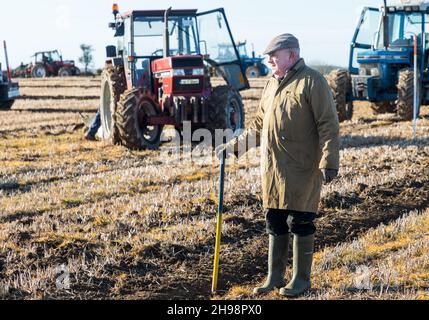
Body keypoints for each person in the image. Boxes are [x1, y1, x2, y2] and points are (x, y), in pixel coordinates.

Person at [215, 34, 340, 297]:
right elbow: (258, 126)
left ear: (292, 55)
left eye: (275, 55)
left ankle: (301, 279)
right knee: (274, 220)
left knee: (301, 221)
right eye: (269, 56)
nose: (269, 59)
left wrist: (329, 160)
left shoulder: (312, 81)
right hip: (273, 168)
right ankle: (274, 277)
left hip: (302, 167)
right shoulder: (271, 84)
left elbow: (328, 124)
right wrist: (232, 148)